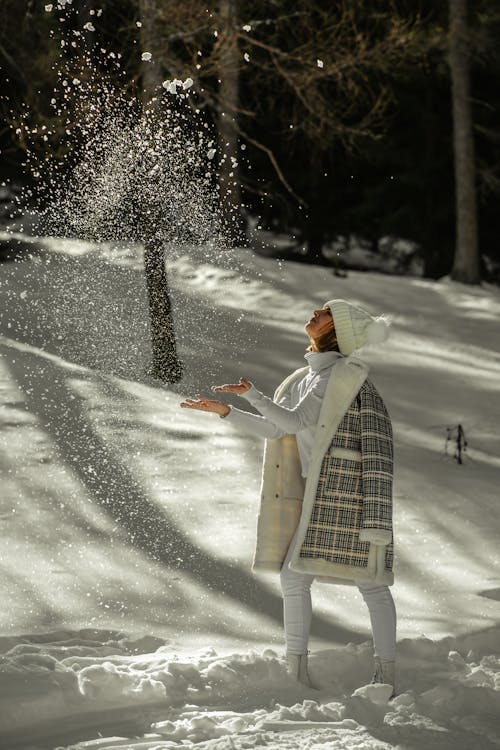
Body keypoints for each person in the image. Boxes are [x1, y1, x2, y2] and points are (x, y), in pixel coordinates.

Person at [180, 299, 396, 696]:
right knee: (305, 578)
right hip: (319, 491)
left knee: (369, 582)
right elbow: (279, 431)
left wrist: (255, 396)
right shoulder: (307, 377)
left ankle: (382, 675)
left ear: (337, 331)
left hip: (344, 493)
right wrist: (226, 411)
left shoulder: (339, 376)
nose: (315, 312)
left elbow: (293, 421)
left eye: (326, 312)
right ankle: (300, 670)